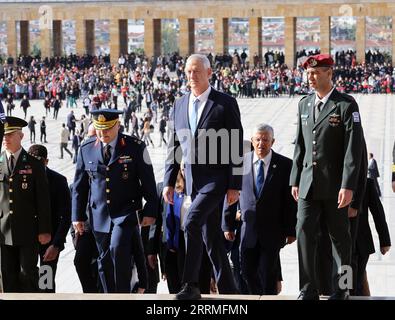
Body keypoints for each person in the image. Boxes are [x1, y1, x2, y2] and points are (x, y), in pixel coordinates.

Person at [163, 54, 243, 300]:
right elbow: (174, 145)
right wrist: (168, 181)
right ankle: (231, 292)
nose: (192, 76)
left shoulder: (224, 103)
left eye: (197, 71)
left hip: (216, 179)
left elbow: (236, 146)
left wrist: (234, 185)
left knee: (191, 222)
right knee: (211, 239)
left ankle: (191, 285)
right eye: (188, 72)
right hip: (192, 182)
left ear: (209, 73)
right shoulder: (179, 104)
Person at [290, 54, 364, 300]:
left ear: (329, 73)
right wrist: (294, 179)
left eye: (316, 73)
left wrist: (348, 185)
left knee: (341, 239)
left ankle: (342, 288)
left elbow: (353, 149)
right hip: (308, 183)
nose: (310, 78)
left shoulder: (345, 104)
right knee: (303, 232)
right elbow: (299, 144)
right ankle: (307, 287)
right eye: (308, 74)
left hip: (335, 185)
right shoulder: (304, 104)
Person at [72, 109, 158, 293]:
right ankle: (110, 296)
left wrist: (150, 210)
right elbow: (80, 186)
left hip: (126, 212)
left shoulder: (136, 146)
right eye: (99, 129)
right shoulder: (86, 149)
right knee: (104, 260)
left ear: (118, 125)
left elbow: (149, 182)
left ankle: (122, 296)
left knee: (118, 250)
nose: (103, 133)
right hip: (99, 215)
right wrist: (77, 216)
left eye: (108, 129)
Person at [223, 123, 297, 295]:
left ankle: (267, 297)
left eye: (265, 140)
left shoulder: (285, 165)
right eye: (257, 139)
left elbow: (290, 202)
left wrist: (291, 230)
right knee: (246, 272)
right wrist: (227, 224)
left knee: (268, 274)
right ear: (252, 141)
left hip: (272, 231)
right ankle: (257, 296)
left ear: (273, 141)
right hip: (247, 229)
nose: (261, 144)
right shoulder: (241, 162)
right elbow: (231, 194)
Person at [0, 116, 52, 292]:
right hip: (3, 230)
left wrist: (45, 229)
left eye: (10, 135)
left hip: (28, 229)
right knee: (8, 273)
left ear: (20, 136)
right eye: (4, 135)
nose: (5, 139)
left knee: (27, 273)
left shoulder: (34, 164)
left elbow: (43, 199)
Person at [28, 144, 71, 293]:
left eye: (39, 162)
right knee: (28, 281)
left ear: (46, 162)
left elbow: (66, 215)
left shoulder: (58, 181)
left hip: (50, 242)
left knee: (46, 283)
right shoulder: (22, 179)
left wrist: (56, 244)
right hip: (27, 241)